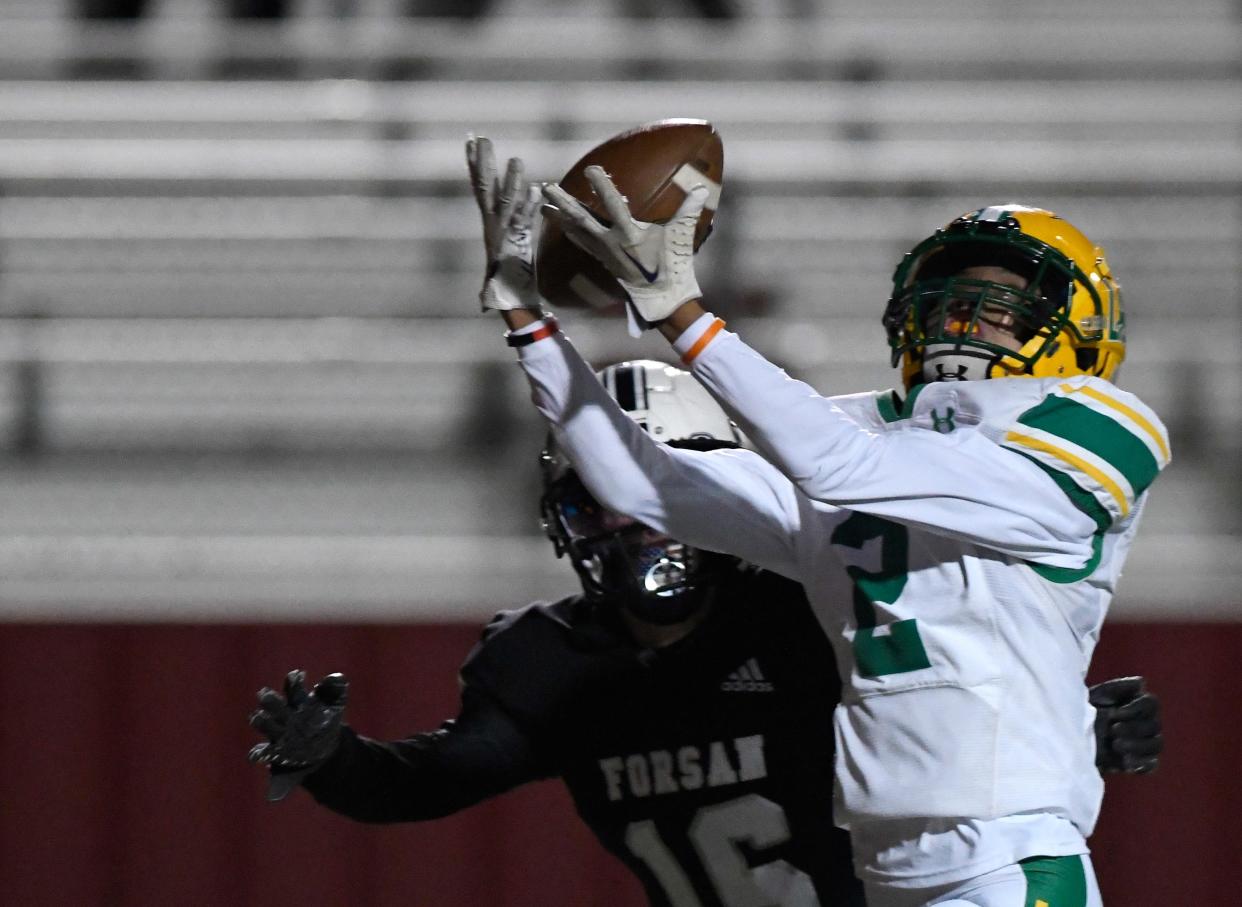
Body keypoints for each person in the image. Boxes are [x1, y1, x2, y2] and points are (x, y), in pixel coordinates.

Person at [471, 136, 1170, 907]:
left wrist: (683, 316)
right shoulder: (860, 431)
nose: (961, 319)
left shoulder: (1098, 424)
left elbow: (843, 467)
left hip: (1010, 859)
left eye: (997, 305)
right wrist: (529, 323)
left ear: (1079, 325)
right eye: (948, 299)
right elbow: (640, 482)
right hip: (886, 865)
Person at [249, 360, 1161, 907]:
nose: (629, 528)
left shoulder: (804, 608)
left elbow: (942, 695)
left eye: (652, 496)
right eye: (593, 502)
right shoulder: (548, 660)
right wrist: (334, 760)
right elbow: (436, 778)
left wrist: (1072, 726)